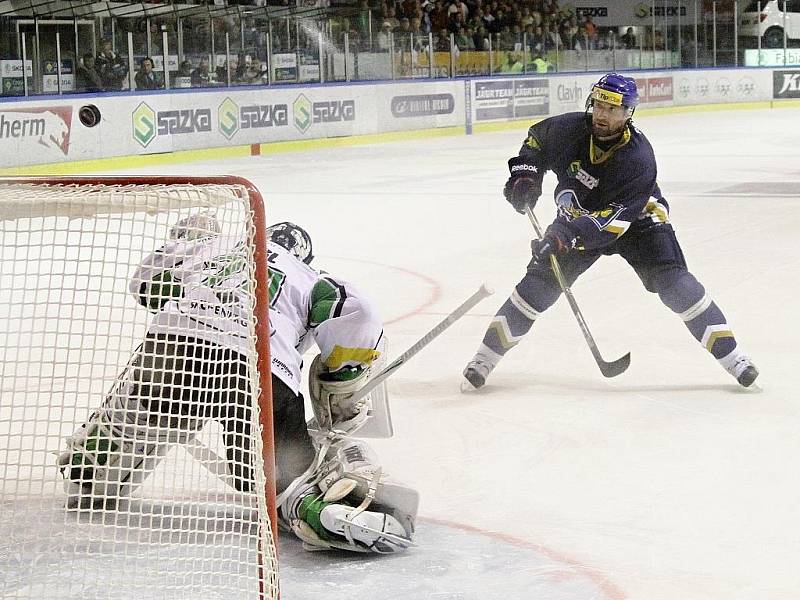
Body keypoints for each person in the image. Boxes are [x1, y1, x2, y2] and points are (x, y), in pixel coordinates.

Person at [57, 217, 417, 554]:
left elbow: (145, 287)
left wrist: (188, 243)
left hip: (171, 354)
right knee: (275, 481)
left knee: (134, 416)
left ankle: (90, 466)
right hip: (257, 371)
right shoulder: (311, 278)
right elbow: (360, 314)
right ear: (304, 256)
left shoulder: (213, 247)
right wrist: (341, 380)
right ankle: (314, 508)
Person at [462, 73, 759, 390]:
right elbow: (536, 142)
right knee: (538, 286)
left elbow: (613, 221)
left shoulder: (638, 159)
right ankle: (483, 359)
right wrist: (526, 177)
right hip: (579, 220)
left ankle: (735, 358)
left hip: (638, 221)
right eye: (599, 106)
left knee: (674, 284)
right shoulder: (569, 129)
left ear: (629, 113)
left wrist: (565, 234)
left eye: (613, 109)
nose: (603, 115)